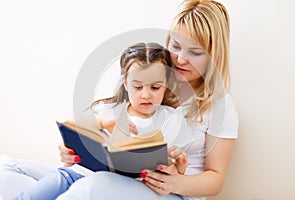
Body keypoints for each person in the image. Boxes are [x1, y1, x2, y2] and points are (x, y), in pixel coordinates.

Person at [0, 0, 238, 200]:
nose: (181, 59)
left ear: (214, 54)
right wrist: (73, 150)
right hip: (115, 181)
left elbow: (215, 179)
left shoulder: (219, 105)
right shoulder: (145, 78)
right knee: (9, 170)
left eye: (195, 52)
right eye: (176, 46)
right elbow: (104, 133)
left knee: (94, 186)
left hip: (170, 192)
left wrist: (177, 183)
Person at [3, 42, 191, 200]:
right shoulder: (107, 110)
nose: (146, 95)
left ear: (166, 84)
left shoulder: (170, 119)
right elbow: (72, 127)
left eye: (155, 87)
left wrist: (179, 167)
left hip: (113, 188)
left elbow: (171, 171)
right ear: (125, 82)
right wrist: (102, 124)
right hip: (74, 174)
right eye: (138, 86)